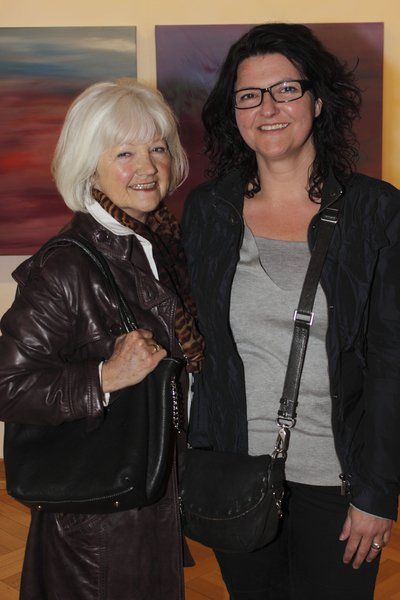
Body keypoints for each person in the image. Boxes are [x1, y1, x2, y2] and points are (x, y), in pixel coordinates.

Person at [182, 23, 400, 600]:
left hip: (338, 477)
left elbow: (390, 361)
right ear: (234, 112)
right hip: (235, 470)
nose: (268, 108)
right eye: (249, 95)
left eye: (286, 89)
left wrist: (378, 491)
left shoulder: (375, 211)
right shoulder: (209, 211)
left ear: (318, 101)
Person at [0, 79, 203, 599]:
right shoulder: (66, 266)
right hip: (97, 524)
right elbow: (6, 385)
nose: (148, 166)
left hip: (148, 497)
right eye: (124, 153)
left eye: (157, 148)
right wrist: (104, 377)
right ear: (90, 167)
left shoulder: (157, 245)